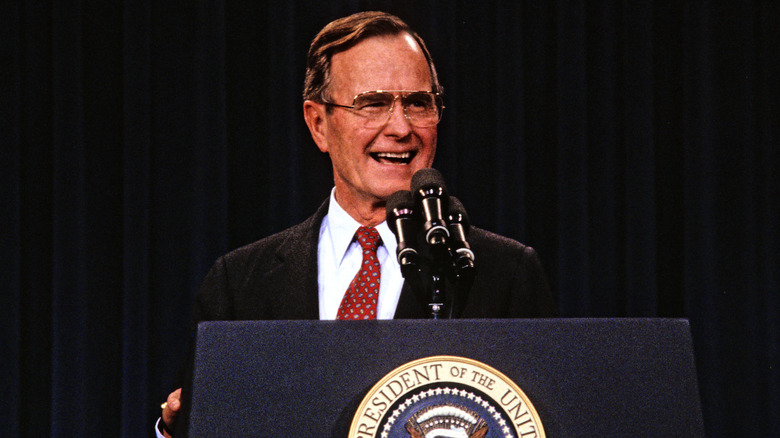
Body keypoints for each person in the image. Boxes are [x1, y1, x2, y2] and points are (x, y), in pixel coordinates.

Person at [156, 11, 557, 437]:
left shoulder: (503, 273)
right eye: (373, 104)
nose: (401, 128)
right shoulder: (239, 283)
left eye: (418, 103)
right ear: (318, 124)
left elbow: (544, 421)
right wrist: (172, 430)